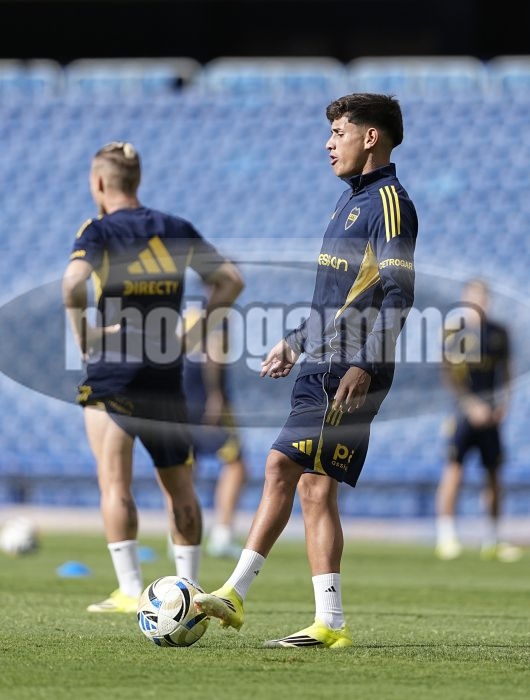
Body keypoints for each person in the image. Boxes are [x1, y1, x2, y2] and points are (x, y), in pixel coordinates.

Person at [193, 93, 418, 648]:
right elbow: (336, 299)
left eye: (339, 132)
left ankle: (235, 594)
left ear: (371, 137)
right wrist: (295, 342)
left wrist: (365, 364)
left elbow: (398, 293)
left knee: (279, 466)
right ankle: (329, 623)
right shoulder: (347, 202)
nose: (328, 143)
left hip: (349, 366)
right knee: (315, 489)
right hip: (321, 360)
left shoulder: (390, 203)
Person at [62, 141, 244, 612]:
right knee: (179, 484)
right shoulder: (176, 227)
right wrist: (195, 332)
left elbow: (72, 284)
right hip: (165, 373)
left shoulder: (98, 229)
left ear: (99, 183)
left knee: (115, 482)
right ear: (137, 180)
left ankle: (129, 590)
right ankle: (189, 592)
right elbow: (230, 280)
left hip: (114, 371)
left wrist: (85, 335)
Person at [434, 278, 522, 562]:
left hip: (491, 416)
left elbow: (506, 372)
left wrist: (503, 404)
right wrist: (471, 405)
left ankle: (493, 538)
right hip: (463, 414)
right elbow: (448, 373)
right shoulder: (454, 332)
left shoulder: (499, 333)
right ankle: (446, 536)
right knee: (454, 470)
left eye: (482, 297)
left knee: (494, 474)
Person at [182, 306, 247, 558]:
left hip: (181, 396)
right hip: (204, 395)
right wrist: (215, 393)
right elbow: (215, 350)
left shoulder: (186, 310)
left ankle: (180, 531)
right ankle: (222, 534)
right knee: (236, 463)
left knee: (184, 465)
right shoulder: (218, 310)